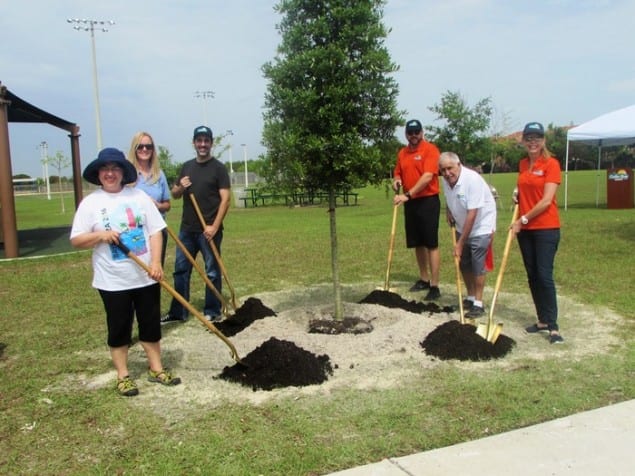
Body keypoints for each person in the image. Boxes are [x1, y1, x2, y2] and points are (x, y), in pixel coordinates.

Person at [70, 147, 181, 397]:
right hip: (112, 280)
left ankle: (156, 369)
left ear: (123, 172)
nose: (110, 173)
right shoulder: (91, 203)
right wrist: (101, 235)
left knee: (150, 324)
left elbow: (155, 231)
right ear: (98, 173)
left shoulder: (138, 197)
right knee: (119, 327)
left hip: (145, 276)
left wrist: (156, 263)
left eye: (115, 168)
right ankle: (123, 375)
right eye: (105, 169)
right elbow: (76, 240)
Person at [161, 125, 231, 324]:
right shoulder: (187, 166)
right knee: (181, 270)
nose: (202, 144)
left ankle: (213, 310)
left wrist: (214, 227)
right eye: (199, 140)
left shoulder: (218, 168)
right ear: (194, 143)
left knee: (211, 271)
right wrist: (180, 187)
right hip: (187, 230)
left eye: (206, 140)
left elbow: (225, 200)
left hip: (209, 231)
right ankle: (178, 312)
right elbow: (174, 195)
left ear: (211, 143)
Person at [511, 122, 564, 344]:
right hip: (526, 230)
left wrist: (522, 219)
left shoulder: (551, 164)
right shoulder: (523, 164)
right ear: (523, 141)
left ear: (543, 141)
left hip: (545, 228)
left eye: (537, 138)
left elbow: (545, 201)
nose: (533, 142)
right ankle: (542, 319)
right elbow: (526, 188)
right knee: (532, 275)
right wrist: (518, 194)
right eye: (529, 138)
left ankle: (553, 326)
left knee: (544, 275)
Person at [439, 152, 497, 319]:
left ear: (458, 165)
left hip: (481, 225)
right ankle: (470, 297)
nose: (447, 173)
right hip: (460, 224)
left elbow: (473, 213)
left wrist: (460, 243)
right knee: (464, 263)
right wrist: (449, 211)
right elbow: (448, 197)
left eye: (450, 168)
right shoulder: (446, 180)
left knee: (477, 263)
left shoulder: (472, 180)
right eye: (443, 170)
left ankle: (478, 304)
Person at [393, 119, 442, 300]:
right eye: (410, 132)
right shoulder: (402, 153)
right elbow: (397, 172)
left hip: (427, 201)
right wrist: (396, 180)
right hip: (411, 202)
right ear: (406, 134)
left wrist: (408, 195)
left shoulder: (430, 150)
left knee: (431, 244)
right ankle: (424, 278)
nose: (413, 136)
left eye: (416, 132)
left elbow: (428, 176)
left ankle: (435, 286)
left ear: (422, 132)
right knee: (417, 243)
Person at [127, 131, 171, 266]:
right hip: (136, 232)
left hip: (157, 231)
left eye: (148, 146)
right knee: (138, 270)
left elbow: (167, 205)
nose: (144, 149)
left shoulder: (159, 174)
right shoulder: (127, 174)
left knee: (156, 269)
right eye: (140, 146)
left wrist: (157, 205)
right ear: (134, 149)